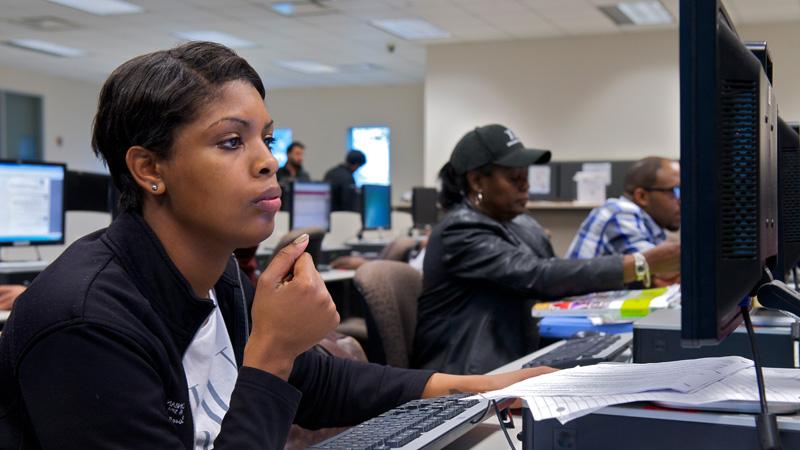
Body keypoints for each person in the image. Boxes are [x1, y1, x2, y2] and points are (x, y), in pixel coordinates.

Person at [0, 43, 554, 450]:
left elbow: (318, 381)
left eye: (267, 137)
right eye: (230, 141)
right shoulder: (86, 321)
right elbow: (279, 370)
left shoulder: (214, 273)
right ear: (149, 169)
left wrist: (474, 387)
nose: (267, 159)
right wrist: (271, 352)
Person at [412, 124, 681, 375]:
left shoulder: (521, 222)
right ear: (476, 181)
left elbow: (555, 281)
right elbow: (537, 276)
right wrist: (638, 264)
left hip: (520, 351)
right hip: (468, 373)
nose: (525, 185)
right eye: (514, 177)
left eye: (526, 176)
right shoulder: (459, 230)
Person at [565, 157, 680, 262]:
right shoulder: (620, 212)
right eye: (675, 191)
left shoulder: (653, 226)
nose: (681, 200)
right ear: (642, 197)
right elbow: (658, 267)